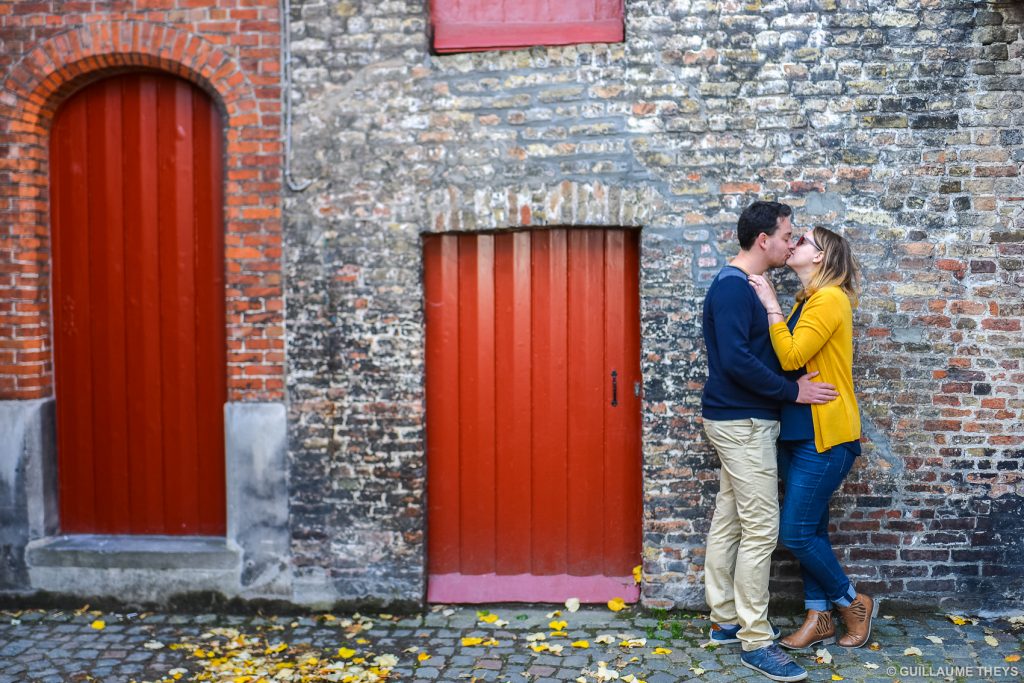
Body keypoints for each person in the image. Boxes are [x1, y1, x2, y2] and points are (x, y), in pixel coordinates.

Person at [701, 201, 838, 683]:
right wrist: (792, 390)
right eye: (787, 235)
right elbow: (737, 361)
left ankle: (724, 619)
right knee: (761, 527)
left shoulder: (737, 285)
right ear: (765, 240)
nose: (790, 242)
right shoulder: (735, 289)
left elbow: (752, 354)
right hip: (743, 423)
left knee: (731, 517)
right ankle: (756, 640)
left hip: (737, 420)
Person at [747, 225, 877, 652]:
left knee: (797, 533)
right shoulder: (807, 300)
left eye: (803, 241)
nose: (794, 243)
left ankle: (851, 601)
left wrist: (770, 305)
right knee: (813, 530)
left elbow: (791, 355)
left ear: (820, 257)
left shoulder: (829, 298)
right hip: (799, 432)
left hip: (826, 437)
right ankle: (818, 617)